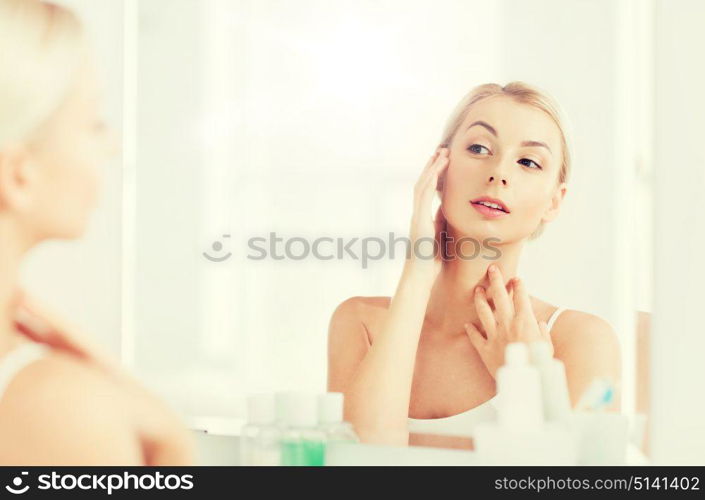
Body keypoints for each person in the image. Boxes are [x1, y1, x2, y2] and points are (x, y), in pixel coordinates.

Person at [327, 82, 622, 445]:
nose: (499, 172)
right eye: (479, 148)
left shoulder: (576, 341)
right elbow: (361, 470)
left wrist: (525, 380)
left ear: (554, 202)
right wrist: (416, 278)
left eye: (528, 161)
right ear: (440, 169)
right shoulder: (360, 324)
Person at [0, 0, 194, 464]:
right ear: (19, 174)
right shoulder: (59, 408)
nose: (110, 147)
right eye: (94, 122)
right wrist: (172, 442)